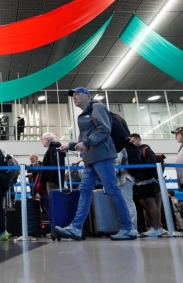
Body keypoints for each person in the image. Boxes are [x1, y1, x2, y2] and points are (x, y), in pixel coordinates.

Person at [55, 87, 136, 241]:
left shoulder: (97, 107)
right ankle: (76, 228)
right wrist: (71, 146)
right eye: (73, 95)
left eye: (77, 94)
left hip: (103, 155)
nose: (74, 97)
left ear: (87, 96)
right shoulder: (82, 116)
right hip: (90, 158)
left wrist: (86, 143)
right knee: (84, 191)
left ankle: (128, 228)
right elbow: (82, 138)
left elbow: (104, 129)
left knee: (112, 189)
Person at [130, 134, 163, 237]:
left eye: (133, 141)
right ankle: (157, 226)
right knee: (143, 201)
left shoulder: (146, 149)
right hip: (140, 180)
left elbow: (152, 163)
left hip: (148, 179)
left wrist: (141, 170)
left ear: (138, 139)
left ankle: (156, 228)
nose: (132, 144)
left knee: (151, 202)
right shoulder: (135, 151)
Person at [115, 149, 138, 235]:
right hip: (123, 179)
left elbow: (116, 168)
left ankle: (132, 229)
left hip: (124, 179)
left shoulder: (119, 149)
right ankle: (129, 228)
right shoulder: (121, 147)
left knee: (128, 204)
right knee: (126, 204)